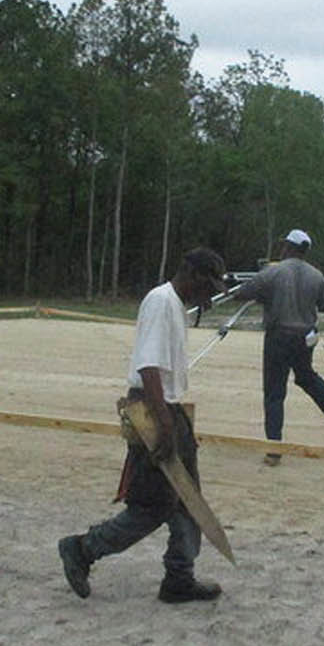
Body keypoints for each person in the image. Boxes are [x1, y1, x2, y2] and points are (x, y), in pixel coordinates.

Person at [57, 247, 228, 603]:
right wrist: (164, 423)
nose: (210, 292)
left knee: (188, 500)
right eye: (208, 285)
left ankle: (179, 577)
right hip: (152, 410)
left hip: (168, 408)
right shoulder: (160, 301)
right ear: (193, 275)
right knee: (152, 505)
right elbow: (149, 366)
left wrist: (174, 418)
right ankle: (82, 549)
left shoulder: (175, 306)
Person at [231, 229, 324, 465]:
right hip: (304, 338)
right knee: (306, 376)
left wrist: (257, 292)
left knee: (274, 393)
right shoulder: (317, 276)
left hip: (279, 337)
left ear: (288, 247)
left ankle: (274, 449)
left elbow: (242, 293)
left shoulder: (274, 271)